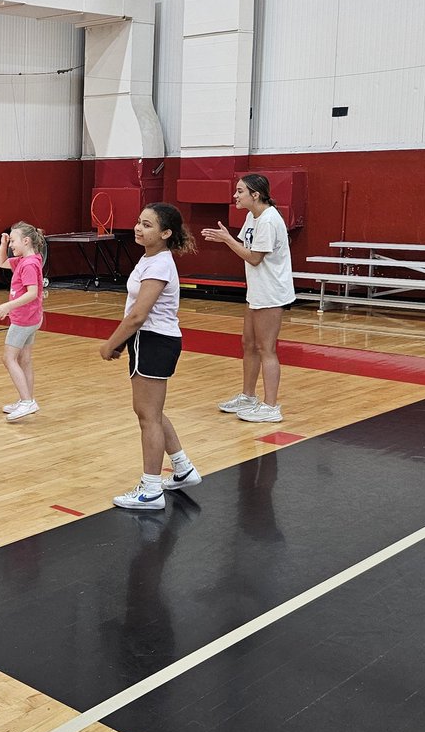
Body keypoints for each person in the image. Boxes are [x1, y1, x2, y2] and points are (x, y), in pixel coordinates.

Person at [99, 204, 201, 511]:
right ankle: (182, 468)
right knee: (152, 412)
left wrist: (111, 344)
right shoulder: (151, 259)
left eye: (147, 225)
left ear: (166, 233)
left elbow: (138, 315)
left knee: (147, 416)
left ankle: (151, 490)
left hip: (154, 342)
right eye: (138, 222)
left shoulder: (158, 265)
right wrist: (124, 343)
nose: (138, 228)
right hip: (152, 342)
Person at [201, 174, 295, 423]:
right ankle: (248, 396)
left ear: (255, 194)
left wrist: (227, 240)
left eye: (240, 191)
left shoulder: (269, 220)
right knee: (248, 344)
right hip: (256, 289)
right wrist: (229, 239)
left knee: (266, 348)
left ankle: (271, 406)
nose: (235, 195)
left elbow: (254, 257)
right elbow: (246, 245)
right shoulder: (252, 217)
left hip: (271, 292)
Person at [0, 221, 46, 422]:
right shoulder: (26, 260)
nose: (12, 244)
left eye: (13, 241)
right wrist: (3, 244)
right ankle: (27, 399)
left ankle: (27, 402)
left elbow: (32, 293)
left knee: (8, 358)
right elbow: (1, 263)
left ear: (26, 241)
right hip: (31, 318)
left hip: (24, 320)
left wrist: (8, 306)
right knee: (24, 359)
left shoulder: (30, 264)